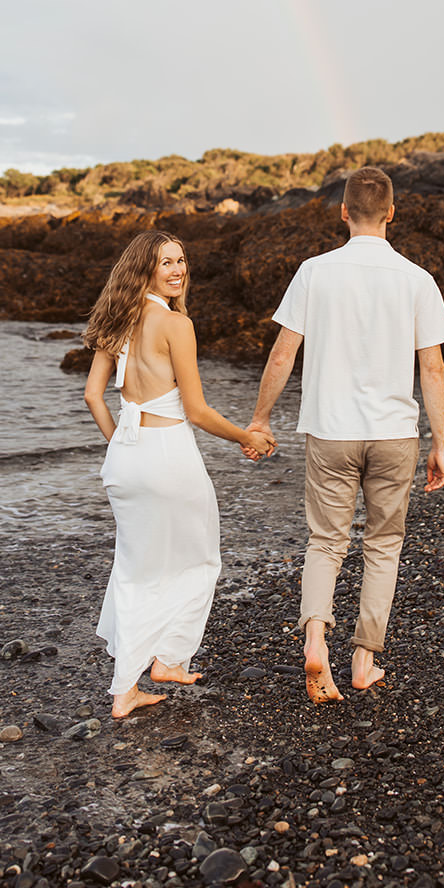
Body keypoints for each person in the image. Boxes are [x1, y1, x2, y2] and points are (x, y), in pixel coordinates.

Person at [245, 166, 444, 703]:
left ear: (342, 212)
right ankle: (363, 661)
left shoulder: (314, 272)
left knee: (326, 541)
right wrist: (441, 444)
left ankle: (316, 637)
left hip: (331, 432)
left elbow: (284, 352)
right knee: (383, 544)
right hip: (394, 435)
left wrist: (260, 419)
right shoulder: (417, 279)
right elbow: (432, 368)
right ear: (391, 213)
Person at [84, 229, 272, 718]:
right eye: (165, 262)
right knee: (199, 558)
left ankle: (165, 662)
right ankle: (128, 685)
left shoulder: (115, 318)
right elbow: (197, 411)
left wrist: (123, 448)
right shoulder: (175, 325)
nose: (177, 270)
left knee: (136, 565)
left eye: (181, 260)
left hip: (126, 458)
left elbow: (92, 397)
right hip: (167, 454)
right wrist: (246, 438)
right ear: (144, 268)